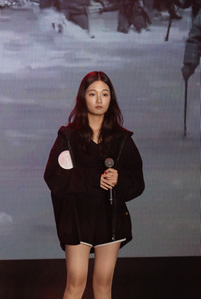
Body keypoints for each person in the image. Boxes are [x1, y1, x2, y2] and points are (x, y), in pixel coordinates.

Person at [44, 71, 144, 299]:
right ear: (83, 98)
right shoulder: (68, 136)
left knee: (103, 284)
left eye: (104, 94)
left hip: (111, 218)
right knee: (76, 282)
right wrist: (93, 179)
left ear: (111, 99)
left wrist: (118, 180)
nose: (99, 100)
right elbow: (54, 177)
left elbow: (138, 183)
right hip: (77, 218)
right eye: (93, 94)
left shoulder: (122, 139)